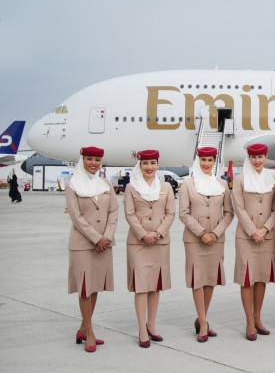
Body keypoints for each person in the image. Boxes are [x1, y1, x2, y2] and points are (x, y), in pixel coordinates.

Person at [65, 146, 117, 353]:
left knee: (94, 287)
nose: (94, 162)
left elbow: (113, 212)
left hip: (104, 244)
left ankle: (82, 328)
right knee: (85, 287)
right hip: (83, 245)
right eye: (89, 159)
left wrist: (107, 237)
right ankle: (90, 332)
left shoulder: (106, 185)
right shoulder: (72, 185)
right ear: (82, 160)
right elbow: (76, 217)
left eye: (97, 159)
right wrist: (97, 238)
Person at [179, 146, 233, 342]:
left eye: (210, 160)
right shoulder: (188, 184)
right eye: (203, 160)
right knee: (197, 279)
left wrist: (215, 233)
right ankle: (203, 323)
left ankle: (202, 318)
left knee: (210, 279)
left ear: (214, 162)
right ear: (198, 161)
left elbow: (229, 213)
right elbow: (183, 213)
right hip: (195, 240)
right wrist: (202, 233)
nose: (206, 164)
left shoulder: (222, 184)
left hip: (216, 240)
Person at [124, 149, 175, 348]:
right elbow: (129, 214)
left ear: (157, 165)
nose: (149, 167)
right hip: (139, 242)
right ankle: (141, 329)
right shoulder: (131, 187)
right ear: (140, 165)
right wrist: (143, 234)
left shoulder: (166, 187)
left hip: (160, 242)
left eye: (153, 163)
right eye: (146, 164)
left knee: (155, 286)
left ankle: (152, 325)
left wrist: (158, 233)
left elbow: (171, 213)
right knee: (141, 287)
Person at [231, 143, 275, 341]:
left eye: (260, 157)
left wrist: (265, 229)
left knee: (261, 277)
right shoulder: (240, 180)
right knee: (247, 278)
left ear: (265, 157)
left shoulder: (272, 178)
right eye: (254, 157)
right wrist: (253, 231)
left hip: (267, 236)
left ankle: (258, 318)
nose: (257, 161)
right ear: (249, 158)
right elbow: (239, 209)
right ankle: (249, 321)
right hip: (246, 237)